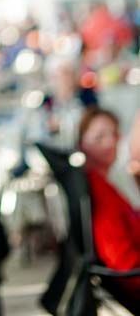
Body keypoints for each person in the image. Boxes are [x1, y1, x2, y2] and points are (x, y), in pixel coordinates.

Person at [78, 106, 140, 310]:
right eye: (99, 137)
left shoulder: (106, 183)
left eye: (114, 134)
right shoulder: (98, 191)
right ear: (81, 143)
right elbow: (121, 260)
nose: (110, 142)